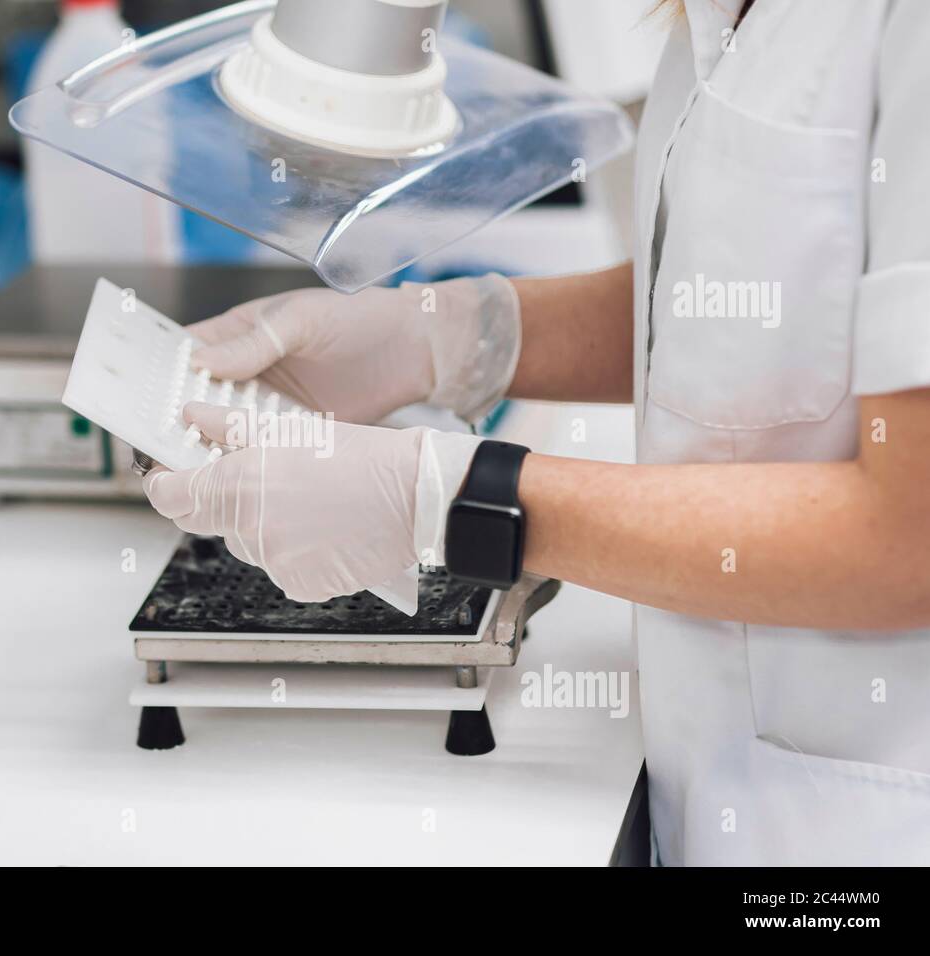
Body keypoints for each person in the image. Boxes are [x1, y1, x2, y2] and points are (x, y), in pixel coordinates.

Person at [142, 0, 930, 865]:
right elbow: (749, 289)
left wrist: (449, 499)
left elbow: (908, 537)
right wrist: (446, 335)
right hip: (721, 791)